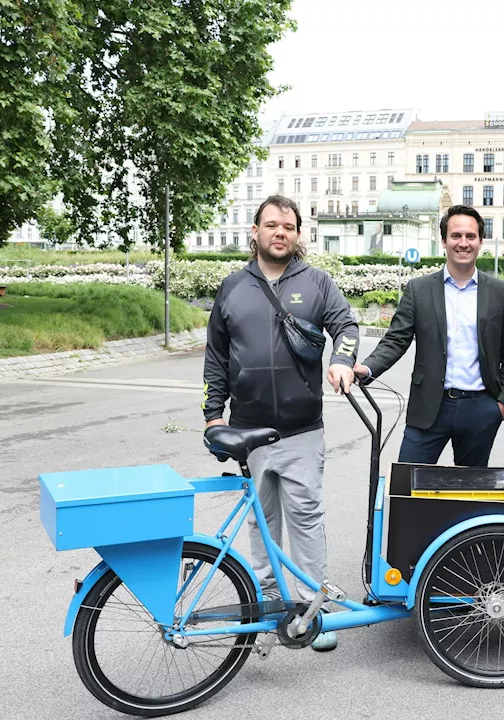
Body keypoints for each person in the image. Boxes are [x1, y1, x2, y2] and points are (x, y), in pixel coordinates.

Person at [202, 195, 358, 651]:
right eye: (271, 225)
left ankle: (312, 611)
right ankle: (269, 606)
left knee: (306, 516)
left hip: (301, 428)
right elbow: (216, 357)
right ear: (255, 232)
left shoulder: (317, 283)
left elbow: (346, 327)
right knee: (262, 522)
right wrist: (214, 415)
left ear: (297, 234)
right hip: (249, 430)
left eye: (287, 227)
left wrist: (342, 361)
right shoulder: (232, 286)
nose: (279, 233)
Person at [354, 205, 504, 466]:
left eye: (470, 236)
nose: (463, 243)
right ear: (443, 241)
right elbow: (397, 339)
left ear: (480, 241)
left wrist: (502, 404)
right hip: (429, 406)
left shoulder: (501, 293)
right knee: (408, 488)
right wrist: (368, 368)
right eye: (456, 236)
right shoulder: (419, 290)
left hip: (481, 408)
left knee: (469, 495)